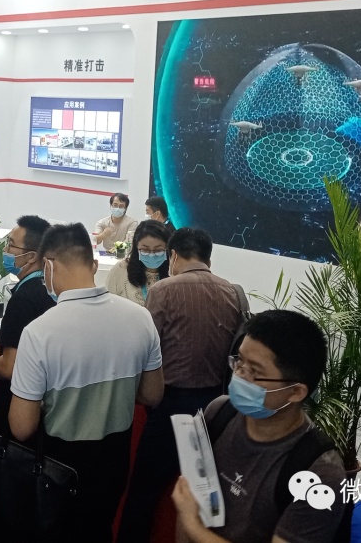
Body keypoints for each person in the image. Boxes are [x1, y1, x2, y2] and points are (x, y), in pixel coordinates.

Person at [9, 222, 164, 543]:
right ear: (93, 264)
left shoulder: (40, 332)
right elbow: (152, 394)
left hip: (57, 468)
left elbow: (21, 427)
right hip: (114, 462)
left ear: (48, 265)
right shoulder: (141, 318)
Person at [118, 227, 247, 543]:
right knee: (204, 493)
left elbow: (146, 350)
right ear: (208, 258)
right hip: (216, 406)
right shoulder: (234, 292)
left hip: (169, 406)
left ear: (173, 255)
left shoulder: (163, 290)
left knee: (144, 491)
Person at [171, 310, 346, 543]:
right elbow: (192, 494)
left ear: (295, 392)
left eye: (254, 372)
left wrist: (193, 525)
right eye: (239, 362)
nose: (239, 375)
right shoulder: (220, 412)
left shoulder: (318, 473)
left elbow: (189, 517)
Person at [0, 215, 55, 436]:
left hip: (17, 408)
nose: (5, 250)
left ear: (31, 256)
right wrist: (4, 349)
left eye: (11, 244)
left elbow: (8, 368)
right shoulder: (49, 289)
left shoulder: (24, 299)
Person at [105, 219, 171, 305]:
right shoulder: (121, 269)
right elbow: (107, 303)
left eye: (158, 250)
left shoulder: (174, 273)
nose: (151, 255)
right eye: (145, 250)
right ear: (137, 247)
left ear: (167, 249)